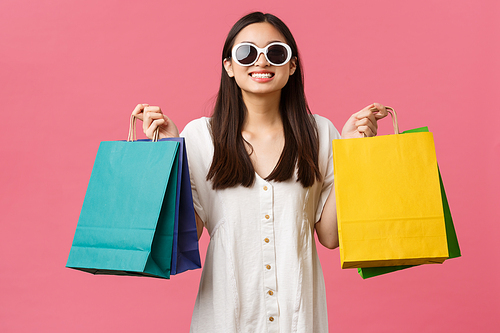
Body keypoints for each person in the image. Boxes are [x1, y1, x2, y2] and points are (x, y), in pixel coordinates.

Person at [132, 11, 387, 333]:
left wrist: (352, 153)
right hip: (225, 317)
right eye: (247, 52)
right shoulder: (200, 137)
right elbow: (189, 234)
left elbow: (331, 236)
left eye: (276, 52)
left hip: (299, 318)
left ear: (292, 65)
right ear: (229, 66)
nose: (262, 61)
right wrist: (169, 152)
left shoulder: (321, 133)